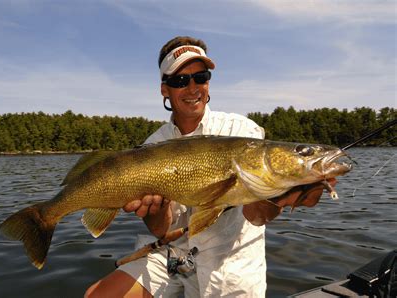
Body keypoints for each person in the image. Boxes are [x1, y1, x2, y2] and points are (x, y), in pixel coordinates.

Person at [85, 36, 336, 297]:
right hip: (171, 253)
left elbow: (257, 216)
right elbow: (160, 230)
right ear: (164, 89)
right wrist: (154, 210)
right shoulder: (154, 144)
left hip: (228, 260)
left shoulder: (241, 131)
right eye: (179, 80)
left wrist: (279, 197)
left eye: (201, 77)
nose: (193, 88)